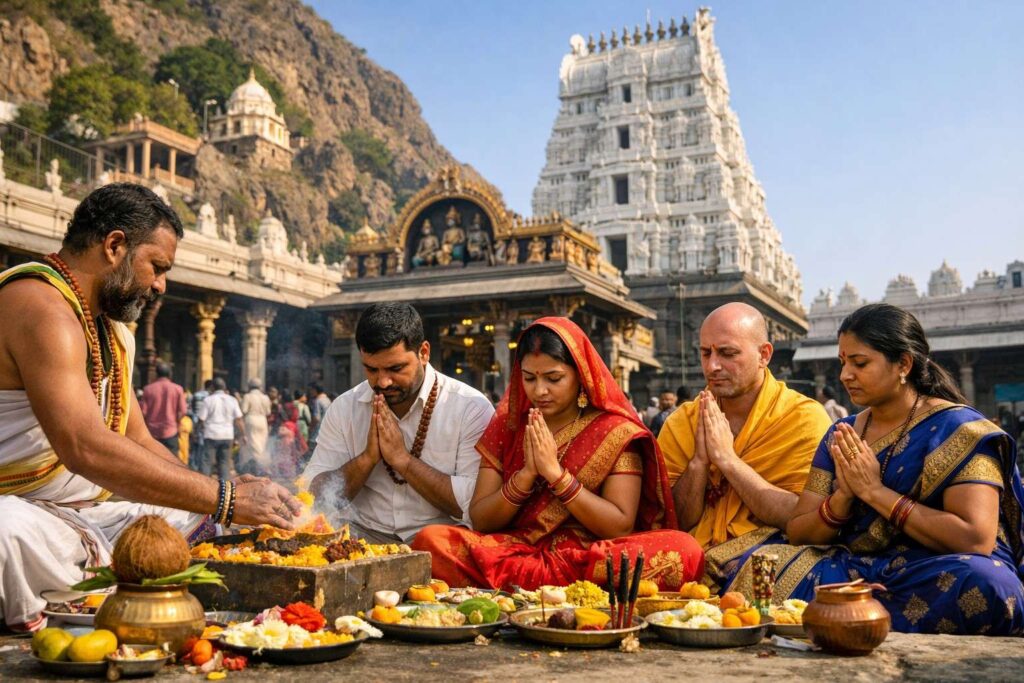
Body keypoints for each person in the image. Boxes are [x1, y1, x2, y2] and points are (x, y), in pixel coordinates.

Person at [0, 183, 299, 631]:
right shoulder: (41, 306)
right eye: (157, 267)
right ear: (115, 246)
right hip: (17, 506)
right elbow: (85, 446)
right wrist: (228, 498)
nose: (161, 285)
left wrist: (216, 488)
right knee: (6, 532)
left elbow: (137, 439)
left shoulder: (111, 330)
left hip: (82, 512)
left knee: (197, 514)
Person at [723, 304, 1024, 635]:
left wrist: (876, 493)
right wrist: (842, 499)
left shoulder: (959, 429)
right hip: (857, 566)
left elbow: (975, 538)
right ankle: (857, 614)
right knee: (760, 568)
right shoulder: (844, 433)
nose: (845, 375)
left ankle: (844, 616)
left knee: (989, 585)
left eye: (860, 363)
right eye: (842, 363)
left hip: (936, 568)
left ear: (903, 364)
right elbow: (799, 531)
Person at [412, 318, 705, 591]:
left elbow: (619, 524)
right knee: (430, 541)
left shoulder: (615, 430)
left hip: (586, 556)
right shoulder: (509, 425)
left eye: (554, 378)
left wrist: (556, 475)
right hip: (515, 549)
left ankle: (521, 587)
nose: (540, 391)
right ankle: (560, 589)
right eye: (529, 378)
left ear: (581, 375)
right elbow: (481, 520)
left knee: (684, 551)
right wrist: (526, 476)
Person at [306, 303, 494, 544]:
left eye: (396, 368)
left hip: (439, 543)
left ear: (424, 353)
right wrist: (366, 460)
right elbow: (314, 497)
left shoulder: (470, 407)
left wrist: (403, 460)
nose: (383, 382)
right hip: (361, 538)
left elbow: (474, 505)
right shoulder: (345, 407)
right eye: (371, 369)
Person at [659, 302, 832, 553]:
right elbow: (673, 522)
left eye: (728, 354)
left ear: (764, 355)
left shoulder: (803, 418)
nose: (712, 366)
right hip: (692, 557)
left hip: (772, 554)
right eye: (706, 353)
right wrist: (699, 461)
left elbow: (802, 518)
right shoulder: (682, 421)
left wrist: (728, 461)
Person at [197, 377, 244, 481]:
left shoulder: (208, 400)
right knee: (224, 463)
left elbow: (201, 419)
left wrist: (198, 432)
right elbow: (239, 419)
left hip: (211, 435)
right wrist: (243, 435)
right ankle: (224, 490)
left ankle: (205, 487)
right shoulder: (232, 400)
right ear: (224, 387)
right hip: (227, 435)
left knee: (207, 462)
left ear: (212, 388)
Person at [140, 361, 187, 458]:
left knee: (153, 462)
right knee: (172, 463)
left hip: (152, 432)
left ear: (156, 374)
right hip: (171, 431)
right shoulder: (178, 389)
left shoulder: (148, 389)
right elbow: (183, 411)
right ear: (170, 374)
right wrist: (176, 422)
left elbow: (143, 412)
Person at [239, 378, 272, 475]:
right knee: (261, 444)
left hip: (251, 420)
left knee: (253, 445)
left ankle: (260, 467)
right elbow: (268, 412)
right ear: (260, 387)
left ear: (249, 386)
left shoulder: (247, 396)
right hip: (262, 420)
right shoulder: (265, 397)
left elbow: (243, 410)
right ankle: (261, 467)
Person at [189, 379, 213, 471]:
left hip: (195, 420)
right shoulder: (211, 396)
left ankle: (194, 465)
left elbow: (192, 408)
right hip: (206, 423)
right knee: (204, 446)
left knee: (195, 445)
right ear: (211, 387)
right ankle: (202, 466)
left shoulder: (196, 394)